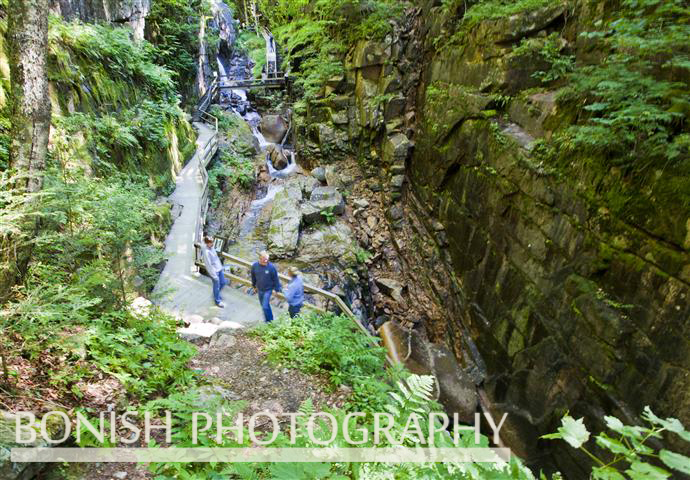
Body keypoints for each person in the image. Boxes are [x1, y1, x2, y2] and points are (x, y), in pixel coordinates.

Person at [251, 251, 281, 322]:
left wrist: (276, 290)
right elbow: (253, 276)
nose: (266, 260)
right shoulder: (255, 266)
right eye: (264, 259)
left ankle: (270, 321)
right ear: (260, 258)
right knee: (264, 305)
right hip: (260, 289)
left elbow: (276, 279)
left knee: (265, 306)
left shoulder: (271, 267)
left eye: (267, 259)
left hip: (268, 290)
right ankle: (267, 319)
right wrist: (254, 286)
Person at [202, 236, 227, 308]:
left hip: (219, 268)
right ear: (207, 243)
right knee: (216, 286)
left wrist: (220, 267)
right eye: (210, 243)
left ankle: (216, 294)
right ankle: (217, 301)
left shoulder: (212, 247)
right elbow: (208, 265)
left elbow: (216, 258)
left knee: (223, 282)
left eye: (212, 242)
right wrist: (214, 275)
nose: (212, 244)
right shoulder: (206, 252)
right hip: (214, 272)